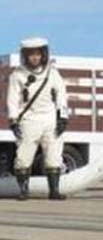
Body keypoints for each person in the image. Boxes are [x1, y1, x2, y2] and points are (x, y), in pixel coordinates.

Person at [6, 37, 69, 200]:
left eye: (38, 54)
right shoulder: (17, 75)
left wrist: (63, 117)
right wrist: (13, 120)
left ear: (44, 55)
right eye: (31, 54)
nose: (35, 58)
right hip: (29, 119)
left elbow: (61, 95)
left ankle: (54, 190)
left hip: (50, 119)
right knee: (23, 156)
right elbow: (13, 98)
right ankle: (23, 191)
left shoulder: (52, 73)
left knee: (54, 155)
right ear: (25, 56)